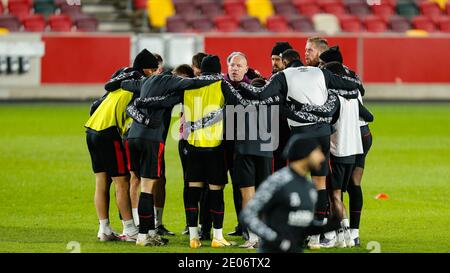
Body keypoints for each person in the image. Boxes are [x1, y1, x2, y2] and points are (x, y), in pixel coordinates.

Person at [238, 49, 363, 249]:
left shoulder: (283, 76)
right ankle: (316, 238)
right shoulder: (321, 72)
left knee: (297, 180)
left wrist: (239, 85)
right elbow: (352, 86)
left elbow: (261, 94)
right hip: (322, 132)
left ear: (286, 63)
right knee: (320, 183)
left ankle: (289, 229)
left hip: (300, 134)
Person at [121, 53, 220, 247]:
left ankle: (148, 231)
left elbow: (124, 85)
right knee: (148, 187)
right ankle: (143, 236)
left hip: (132, 137)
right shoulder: (173, 82)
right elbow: (193, 85)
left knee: (139, 182)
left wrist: (144, 101)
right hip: (151, 139)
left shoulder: (146, 81)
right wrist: (215, 77)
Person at [84, 49, 159, 242]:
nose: (156, 73)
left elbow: (99, 100)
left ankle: (104, 229)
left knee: (102, 181)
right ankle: (130, 229)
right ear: (148, 70)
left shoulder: (120, 76)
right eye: (154, 69)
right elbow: (131, 110)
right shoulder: (139, 84)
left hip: (91, 128)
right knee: (122, 181)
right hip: (109, 132)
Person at [240, 135, 335, 253]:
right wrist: (276, 240)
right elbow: (248, 215)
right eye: (318, 152)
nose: (322, 157)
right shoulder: (278, 181)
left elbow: (301, 225)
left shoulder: (309, 187)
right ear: (305, 154)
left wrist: (328, 226)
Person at [319, 46, 374, 247]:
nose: (320, 67)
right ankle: (354, 233)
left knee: (334, 190)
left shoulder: (333, 86)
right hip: (360, 137)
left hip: (342, 138)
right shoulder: (353, 78)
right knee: (354, 184)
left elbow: (328, 114)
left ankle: (335, 234)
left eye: (322, 64)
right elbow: (368, 114)